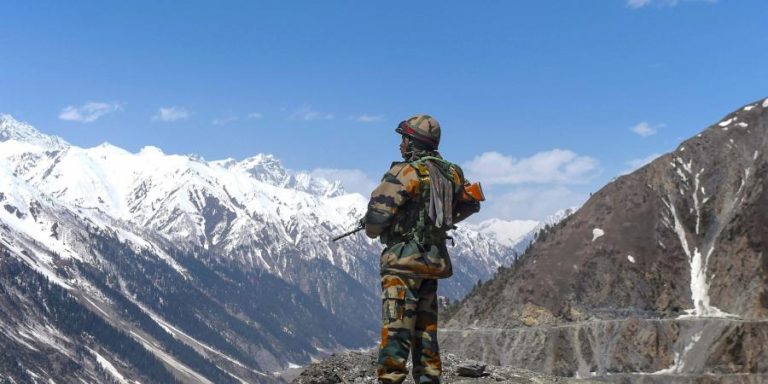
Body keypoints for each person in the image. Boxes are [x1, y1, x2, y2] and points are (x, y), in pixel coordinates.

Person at [364, 114, 480, 384]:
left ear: (414, 141)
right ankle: (429, 379)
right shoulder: (451, 173)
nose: (401, 144)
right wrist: (439, 223)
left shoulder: (405, 173)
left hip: (402, 265)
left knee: (397, 329)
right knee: (426, 331)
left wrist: (382, 227)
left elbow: (376, 220)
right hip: (432, 263)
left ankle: (391, 379)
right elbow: (470, 204)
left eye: (404, 139)